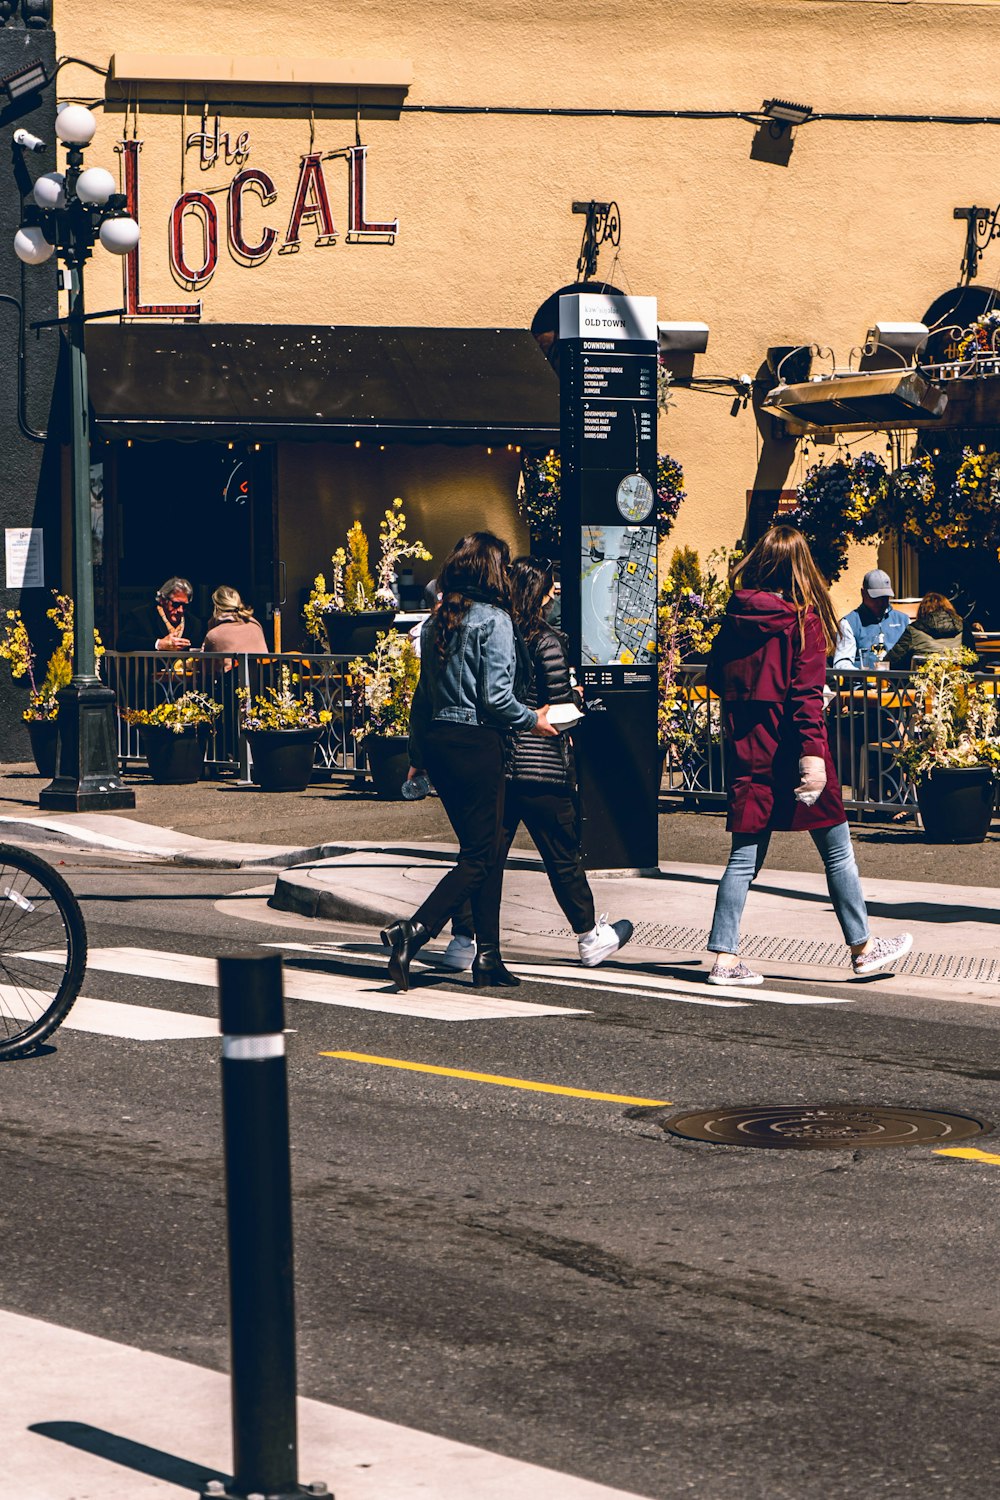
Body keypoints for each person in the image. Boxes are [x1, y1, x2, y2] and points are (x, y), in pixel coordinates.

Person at [704, 526, 912, 986]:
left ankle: (724, 958)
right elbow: (805, 700)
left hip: (748, 749)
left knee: (743, 857)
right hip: (796, 750)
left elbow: (717, 677)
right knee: (837, 853)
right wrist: (814, 757)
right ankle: (862, 949)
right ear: (802, 567)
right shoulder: (804, 621)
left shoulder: (736, 617)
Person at [380, 532, 556, 991]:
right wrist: (531, 719)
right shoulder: (494, 620)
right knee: (481, 856)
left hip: (439, 743)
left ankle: (489, 956)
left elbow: (422, 698)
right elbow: (497, 698)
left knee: (486, 850)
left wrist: (418, 755)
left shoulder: (440, 620)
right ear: (491, 571)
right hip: (477, 744)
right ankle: (413, 932)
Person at [447, 556, 632, 971]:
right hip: (541, 766)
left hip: (498, 762)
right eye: (550, 588)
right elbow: (557, 708)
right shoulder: (546, 640)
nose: (554, 594)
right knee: (562, 855)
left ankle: (462, 940)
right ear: (540, 593)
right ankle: (589, 936)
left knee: (483, 856)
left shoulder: (495, 630)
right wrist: (576, 700)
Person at [832, 569, 909, 670]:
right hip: (862, 684)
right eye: (875, 598)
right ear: (863, 593)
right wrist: (864, 676)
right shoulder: (849, 623)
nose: (881, 603)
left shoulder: (903, 620)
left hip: (897, 684)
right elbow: (842, 663)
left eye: (885, 598)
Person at [118, 577, 203, 653]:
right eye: (176, 604)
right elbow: (122, 642)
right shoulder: (141, 616)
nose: (180, 610)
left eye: (185, 606)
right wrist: (159, 644)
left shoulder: (194, 623)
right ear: (163, 600)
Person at [887, 591, 964, 671]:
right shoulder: (963, 627)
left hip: (921, 682)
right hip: (956, 681)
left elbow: (893, 661)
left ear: (922, 611)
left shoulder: (913, 630)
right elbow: (973, 661)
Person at [201, 585, 268, 656]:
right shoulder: (256, 627)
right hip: (257, 667)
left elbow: (204, 665)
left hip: (230, 667)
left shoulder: (214, 635)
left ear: (216, 608)